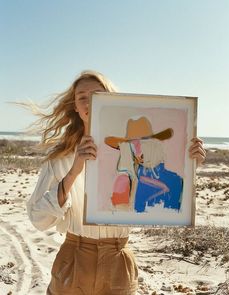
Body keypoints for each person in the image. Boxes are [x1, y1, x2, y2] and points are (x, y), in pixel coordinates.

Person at [27, 70, 206, 295]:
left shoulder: (139, 152)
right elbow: (38, 219)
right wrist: (74, 172)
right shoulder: (61, 157)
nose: (89, 101)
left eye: (96, 94)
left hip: (119, 261)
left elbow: (165, 196)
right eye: (82, 96)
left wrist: (188, 163)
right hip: (74, 259)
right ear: (74, 105)